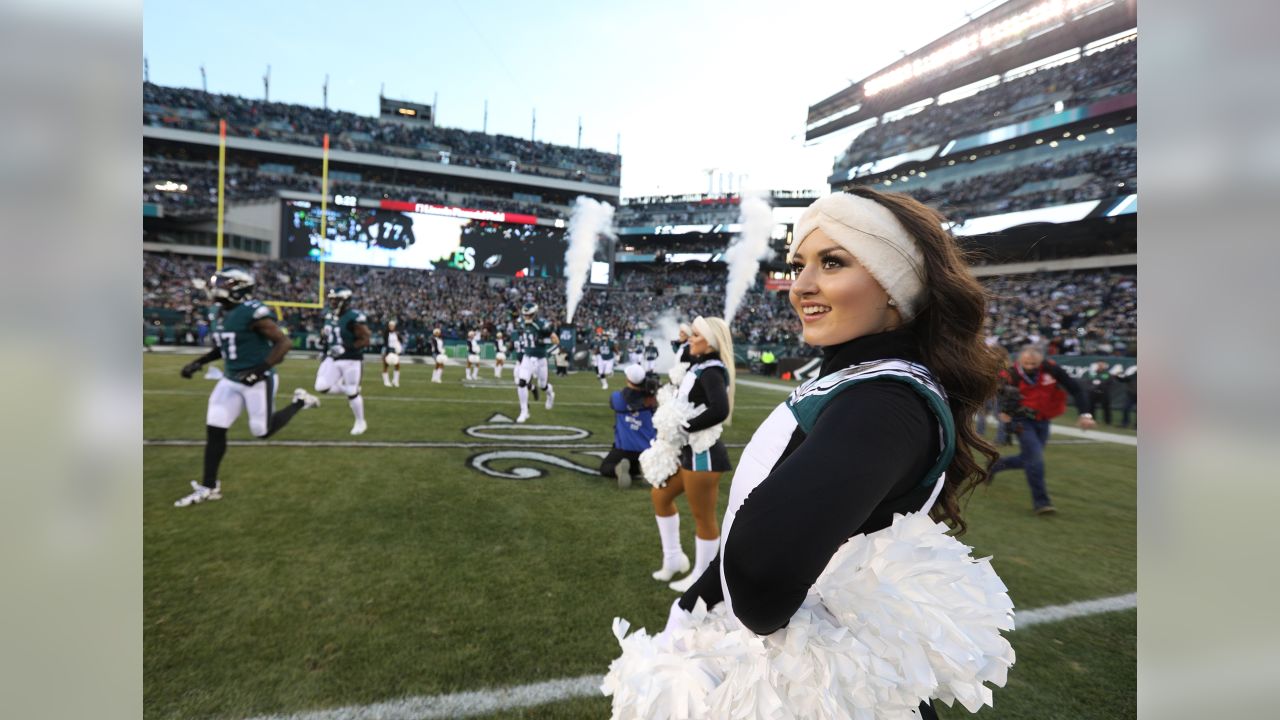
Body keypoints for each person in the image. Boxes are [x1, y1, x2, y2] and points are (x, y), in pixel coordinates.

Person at [605, 189, 1014, 719]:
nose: (801, 286)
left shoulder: (886, 400)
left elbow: (761, 572)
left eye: (833, 262)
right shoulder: (860, 383)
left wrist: (740, 621)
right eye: (798, 264)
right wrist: (698, 601)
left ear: (895, 285)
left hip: (819, 691)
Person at [175, 268, 320, 507]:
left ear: (239, 288)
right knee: (215, 429)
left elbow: (284, 343)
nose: (218, 288)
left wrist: (259, 370)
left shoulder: (254, 312)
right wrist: (198, 363)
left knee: (261, 431)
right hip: (231, 380)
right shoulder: (222, 312)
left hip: (257, 380)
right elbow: (225, 347)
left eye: (225, 284)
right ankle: (209, 486)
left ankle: (300, 402)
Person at [642, 315, 736, 594]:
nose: (690, 339)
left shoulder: (712, 371)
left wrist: (684, 426)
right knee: (661, 495)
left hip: (703, 454)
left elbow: (720, 410)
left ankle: (704, 577)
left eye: (696, 336)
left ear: (711, 343)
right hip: (688, 451)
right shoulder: (700, 365)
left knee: (703, 517)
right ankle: (674, 558)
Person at [990, 345, 1096, 514]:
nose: (1030, 367)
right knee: (1036, 459)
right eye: (1026, 363)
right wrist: (1003, 413)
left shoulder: (1052, 369)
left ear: (1041, 361)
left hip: (1043, 420)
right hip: (1021, 419)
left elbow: (1076, 389)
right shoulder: (1010, 374)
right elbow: (998, 395)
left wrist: (1085, 414)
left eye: (1034, 364)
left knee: (1028, 459)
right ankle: (1042, 502)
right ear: (1019, 361)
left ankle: (996, 465)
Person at [315, 286, 370, 435]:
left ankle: (360, 421)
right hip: (333, 357)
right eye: (331, 299)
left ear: (344, 301)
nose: (332, 302)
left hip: (351, 359)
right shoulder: (329, 315)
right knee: (321, 387)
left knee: (352, 391)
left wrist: (347, 347)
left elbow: (365, 339)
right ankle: (352, 391)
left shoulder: (354, 317)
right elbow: (326, 334)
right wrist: (324, 346)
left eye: (336, 300)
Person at [601, 365, 657, 488]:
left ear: (628, 379)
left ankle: (618, 469)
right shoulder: (652, 400)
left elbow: (619, 401)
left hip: (624, 448)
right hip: (647, 448)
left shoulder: (617, 398)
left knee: (606, 467)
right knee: (642, 462)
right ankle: (644, 468)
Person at [514, 301, 557, 423]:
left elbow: (555, 340)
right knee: (522, 382)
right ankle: (524, 411)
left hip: (541, 359)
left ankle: (550, 394)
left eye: (529, 315)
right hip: (527, 358)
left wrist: (546, 347)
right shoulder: (521, 324)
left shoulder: (542, 324)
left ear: (535, 314)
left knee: (543, 386)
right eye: (525, 315)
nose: (526, 317)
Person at [1085, 360, 1115, 425]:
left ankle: (1108, 421)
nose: (1100, 366)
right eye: (1099, 365)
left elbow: (1108, 383)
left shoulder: (1107, 374)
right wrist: (1092, 386)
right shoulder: (1093, 373)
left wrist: (1100, 385)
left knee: (1106, 407)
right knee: (1091, 407)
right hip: (1093, 393)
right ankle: (1092, 419)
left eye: (1101, 365)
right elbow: (1089, 381)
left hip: (1103, 393)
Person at [381, 319, 403, 388]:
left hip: (395, 351)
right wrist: (385, 353)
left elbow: (400, 340)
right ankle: (386, 381)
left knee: (397, 366)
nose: (391, 327)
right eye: (390, 326)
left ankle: (395, 381)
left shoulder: (396, 333)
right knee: (386, 366)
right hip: (388, 350)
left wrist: (399, 348)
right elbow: (385, 342)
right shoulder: (386, 333)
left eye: (393, 326)